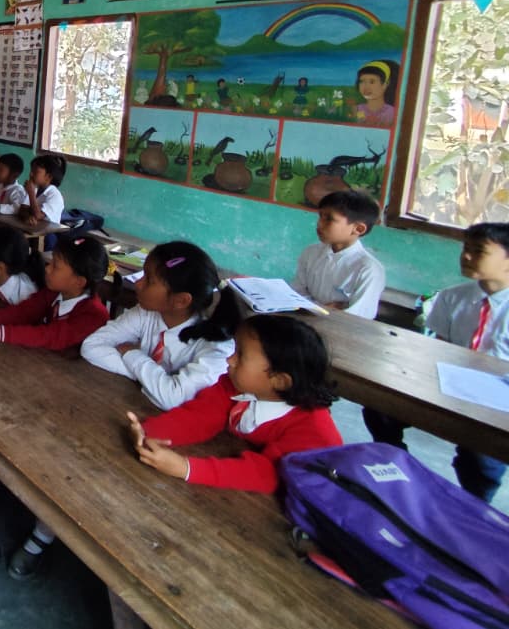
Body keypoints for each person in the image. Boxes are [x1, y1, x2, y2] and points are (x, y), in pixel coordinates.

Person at [0, 237, 110, 577]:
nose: (48, 268)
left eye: (56, 265)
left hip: (71, 408)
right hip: (39, 387)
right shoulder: (56, 295)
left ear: (79, 281)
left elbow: (47, 337)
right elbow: (22, 313)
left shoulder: (93, 314)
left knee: (23, 454)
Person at [364, 222, 509, 502]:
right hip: (450, 383)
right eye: (465, 248)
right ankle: (399, 467)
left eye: (479, 251)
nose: (466, 256)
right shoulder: (453, 297)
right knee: (380, 406)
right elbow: (439, 348)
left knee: (480, 460)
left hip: (498, 401)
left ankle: (476, 505)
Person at [128, 315, 342, 492]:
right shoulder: (238, 385)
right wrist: (148, 433)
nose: (229, 360)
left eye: (240, 355)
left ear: (280, 380)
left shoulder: (314, 433)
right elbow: (200, 416)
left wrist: (185, 468)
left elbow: (267, 474)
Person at [81, 241, 237, 410]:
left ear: (181, 300)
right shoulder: (146, 313)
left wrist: (133, 355)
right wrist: (152, 380)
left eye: (149, 280)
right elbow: (91, 346)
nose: (138, 283)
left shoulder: (216, 349)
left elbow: (173, 399)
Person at [292, 190, 385, 319]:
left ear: (358, 229)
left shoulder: (368, 269)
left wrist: (321, 309)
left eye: (329, 219)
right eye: (320, 216)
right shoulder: (311, 253)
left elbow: (361, 315)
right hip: (305, 320)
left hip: (343, 329)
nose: (319, 223)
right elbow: (296, 293)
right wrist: (323, 309)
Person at [21, 154, 66, 226]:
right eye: (31, 170)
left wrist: (31, 193)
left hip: (49, 231)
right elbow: (23, 209)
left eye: (35, 172)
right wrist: (27, 217)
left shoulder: (55, 195)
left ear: (48, 176)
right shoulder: (35, 189)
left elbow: (38, 215)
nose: (30, 174)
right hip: (34, 229)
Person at [353, 59, 399, 126]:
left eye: (372, 82)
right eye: (362, 81)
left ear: (385, 84)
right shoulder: (358, 109)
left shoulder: (392, 112)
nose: (366, 87)